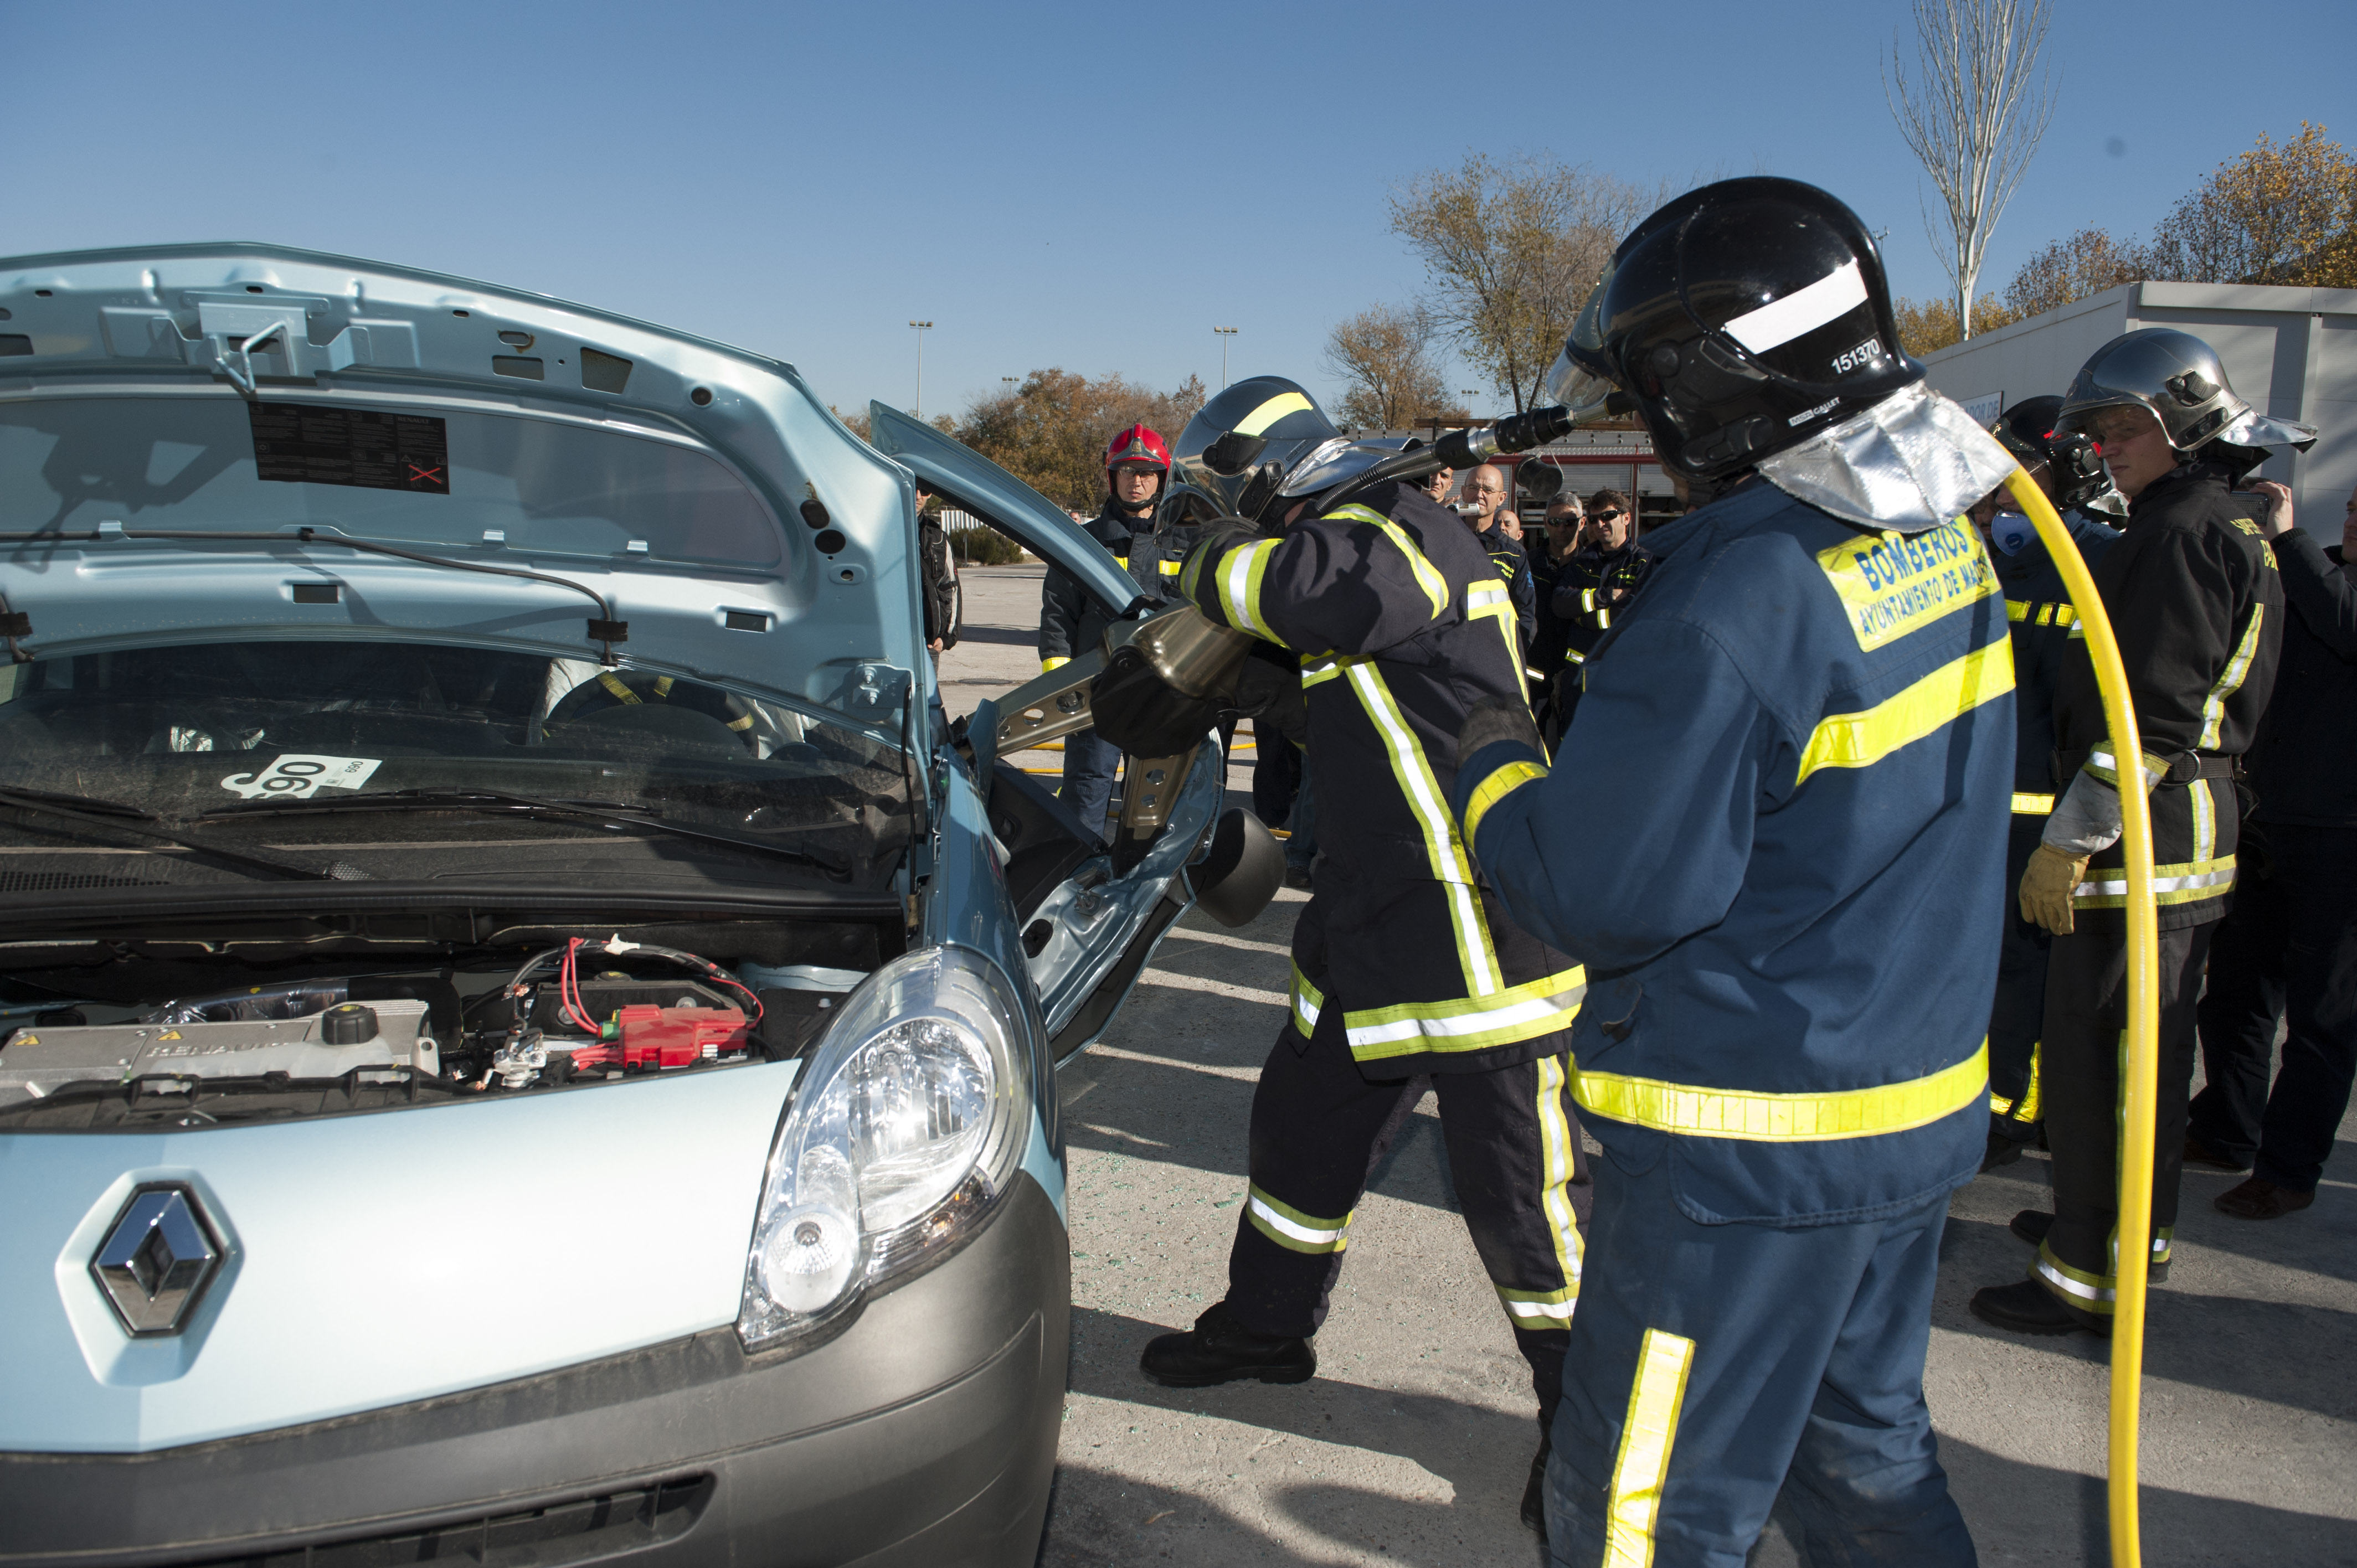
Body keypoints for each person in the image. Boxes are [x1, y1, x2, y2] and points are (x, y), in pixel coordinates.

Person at [1454, 177, 2014, 1564]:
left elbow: (1600, 888)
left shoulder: (1731, 591)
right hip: (1904, 1113)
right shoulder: (1942, 540)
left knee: (1643, 1511)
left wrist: (1489, 764)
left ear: (1717, 384)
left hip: (1744, 1154)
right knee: (1862, 1458)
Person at [1134, 375, 1590, 1539]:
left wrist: (1190, 566)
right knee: (1301, 1138)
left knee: (1523, 1204)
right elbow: (1352, 703)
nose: (1220, 512)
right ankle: (1266, 1325)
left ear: (1263, 471)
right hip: (1370, 917)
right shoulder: (1358, 553)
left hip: (1472, 917)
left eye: (1223, 492)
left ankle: (1586, 1420)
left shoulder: (1392, 531)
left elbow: (1301, 591)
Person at [1970, 327, 2310, 1337]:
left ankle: (2087, 1268)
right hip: (2174, 825)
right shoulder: (2212, 519)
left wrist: (2071, 839)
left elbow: (2148, 715)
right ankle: (2119, 1225)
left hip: (2144, 831)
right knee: (2138, 1060)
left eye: (2127, 429)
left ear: (2185, 423)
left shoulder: (2180, 534)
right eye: (2101, 433)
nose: (2108, 449)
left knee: (2103, 1060)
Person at [2187, 476, 2357, 1219]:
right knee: (2235, 993)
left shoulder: (2325, 582)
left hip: (2344, 841)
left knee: (2321, 1018)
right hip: (2271, 821)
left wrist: (2288, 542)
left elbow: (2346, 624)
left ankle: (2290, 1169)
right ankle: (2228, 1127)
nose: (2352, 521)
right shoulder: (2316, 568)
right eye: (2353, 507)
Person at [1968, 399, 2123, 1169]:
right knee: (1994, 969)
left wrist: (2077, 831)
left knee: (2026, 973)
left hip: (2044, 813)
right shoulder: (1996, 560)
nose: (2003, 491)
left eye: (2019, 471)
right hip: (1988, 805)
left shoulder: (2095, 566)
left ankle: (2015, 1110)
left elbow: (2100, 711)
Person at [1038, 425, 1182, 835]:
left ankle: (1139, 881)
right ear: (1111, 476)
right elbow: (1058, 616)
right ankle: (1079, 877)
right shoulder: (1083, 544)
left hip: (1161, 695)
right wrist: (1063, 683)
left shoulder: (1180, 544)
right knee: (1087, 789)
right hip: (1097, 693)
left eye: (1147, 472)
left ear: (1162, 478)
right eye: (1126, 471)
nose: (1136, 481)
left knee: (1152, 801)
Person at [1548, 488, 1654, 735]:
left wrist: (1584, 616)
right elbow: (1560, 604)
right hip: (1578, 681)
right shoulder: (1582, 562)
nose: (1600, 524)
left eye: (1608, 516)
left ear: (1626, 518)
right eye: (1594, 519)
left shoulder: (1643, 563)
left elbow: (1634, 614)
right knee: (1572, 745)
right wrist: (1604, 597)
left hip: (1622, 679)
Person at [1461, 462, 1538, 649]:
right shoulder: (1446, 537)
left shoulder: (1514, 553)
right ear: (1463, 491)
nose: (1479, 495)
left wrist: (1512, 653)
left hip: (1492, 653)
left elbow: (1525, 612)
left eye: (1488, 490)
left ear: (1502, 498)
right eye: (1473, 487)